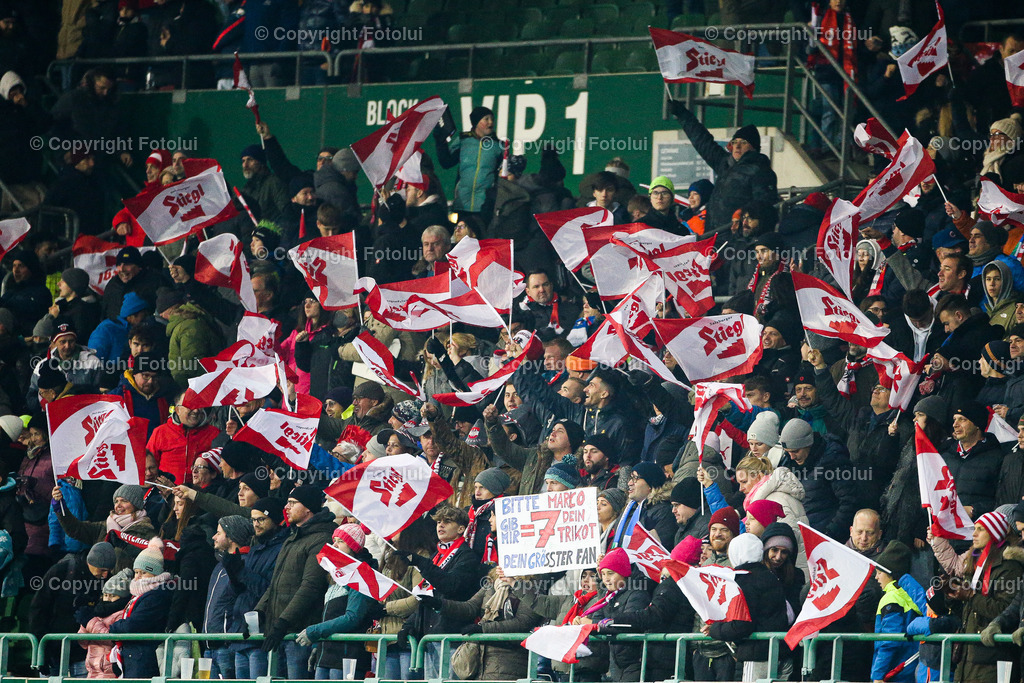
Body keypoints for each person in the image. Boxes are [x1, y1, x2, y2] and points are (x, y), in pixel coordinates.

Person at [255, 486, 336, 679]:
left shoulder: (321, 539)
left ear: (308, 508)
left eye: (292, 503)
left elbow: (311, 587)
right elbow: (275, 583)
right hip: (279, 632)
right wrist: (259, 611)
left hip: (299, 636)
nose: (286, 507)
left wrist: (283, 622)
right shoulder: (292, 538)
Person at [667, 100, 778, 233]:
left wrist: (742, 222)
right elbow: (702, 140)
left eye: (743, 142)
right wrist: (683, 114)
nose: (737, 146)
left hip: (737, 239)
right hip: (714, 236)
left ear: (754, 147)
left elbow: (763, 206)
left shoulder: (760, 170)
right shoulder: (725, 163)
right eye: (734, 142)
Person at [297, 524, 377, 680]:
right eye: (334, 540)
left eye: (340, 541)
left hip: (348, 656)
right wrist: (318, 646)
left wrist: (315, 632)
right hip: (327, 655)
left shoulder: (362, 574)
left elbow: (352, 617)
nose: (334, 546)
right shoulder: (335, 575)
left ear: (353, 547)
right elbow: (329, 615)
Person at [107, 538, 178, 677]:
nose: (138, 577)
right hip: (135, 657)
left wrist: (114, 627)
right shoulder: (139, 594)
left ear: (156, 573)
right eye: (136, 572)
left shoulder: (156, 595)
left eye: (143, 572)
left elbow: (132, 626)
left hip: (144, 660)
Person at [870, 541, 926, 683]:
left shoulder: (890, 598)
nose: (876, 577)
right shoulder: (909, 594)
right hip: (911, 669)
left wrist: (877, 675)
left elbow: (889, 640)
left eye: (879, 572)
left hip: (894, 672)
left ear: (889, 573)